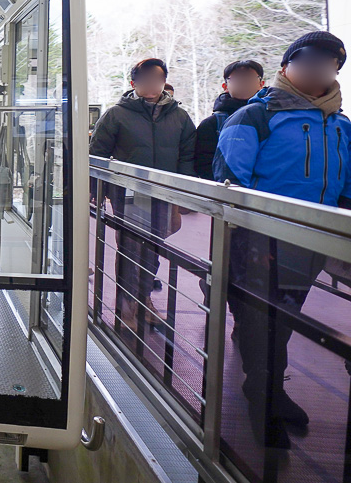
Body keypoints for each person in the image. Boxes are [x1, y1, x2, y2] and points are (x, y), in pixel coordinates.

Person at [214, 31, 351, 449]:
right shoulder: (256, 116)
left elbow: (344, 185)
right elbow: (230, 181)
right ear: (288, 65)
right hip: (261, 243)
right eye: (308, 60)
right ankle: (263, 398)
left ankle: (272, 390)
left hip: (311, 245)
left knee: (284, 322)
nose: (319, 70)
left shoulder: (340, 124)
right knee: (260, 323)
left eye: (331, 63)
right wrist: (253, 237)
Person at [90, 58, 197, 331]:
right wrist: (95, 190)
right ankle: (126, 307)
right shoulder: (117, 114)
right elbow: (97, 154)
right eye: (145, 80)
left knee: (154, 248)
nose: (152, 85)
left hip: (163, 194)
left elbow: (187, 155)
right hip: (128, 194)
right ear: (133, 83)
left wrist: (182, 192)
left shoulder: (179, 116)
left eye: (157, 80)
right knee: (129, 248)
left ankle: (144, 299)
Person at [194, 60, 264, 181]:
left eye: (249, 78)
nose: (244, 83)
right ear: (225, 86)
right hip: (224, 190)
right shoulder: (212, 124)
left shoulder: (272, 118)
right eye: (237, 79)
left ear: (261, 84)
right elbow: (203, 165)